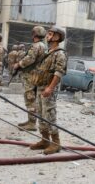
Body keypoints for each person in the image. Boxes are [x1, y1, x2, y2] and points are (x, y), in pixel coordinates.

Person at [29, 27, 67, 155]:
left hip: (48, 88)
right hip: (40, 87)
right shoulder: (48, 51)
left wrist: (50, 88)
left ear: (57, 37)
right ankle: (45, 140)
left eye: (50, 34)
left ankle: (56, 143)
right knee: (40, 114)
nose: (48, 36)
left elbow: (59, 72)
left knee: (49, 115)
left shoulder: (60, 53)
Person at [13, 26, 47, 131]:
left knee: (30, 98)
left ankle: (32, 123)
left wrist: (18, 64)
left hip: (31, 75)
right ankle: (30, 120)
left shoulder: (36, 46)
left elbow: (30, 59)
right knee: (32, 98)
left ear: (34, 34)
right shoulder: (43, 45)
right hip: (37, 74)